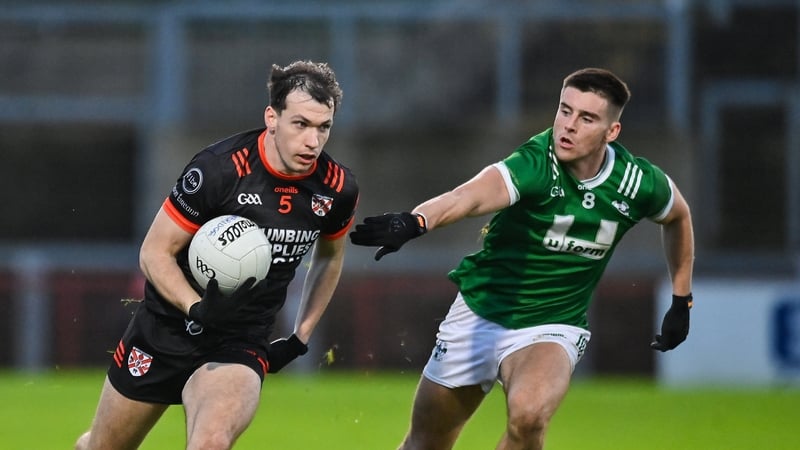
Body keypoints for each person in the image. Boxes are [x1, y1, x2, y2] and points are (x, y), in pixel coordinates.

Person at [349, 67, 694, 450]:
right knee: (424, 443)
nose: (569, 126)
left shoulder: (637, 182)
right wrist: (417, 220)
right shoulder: (536, 162)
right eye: (565, 110)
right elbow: (471, 195)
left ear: (611, 132)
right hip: (479, 315)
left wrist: (682, 299)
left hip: (551, 325)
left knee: (529, 418)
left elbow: (678, 215)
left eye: (586, 118)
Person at [75, 60, 359, 450]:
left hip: (239, 339)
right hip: (166, 329)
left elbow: (330, 257)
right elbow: (155, 252)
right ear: (271, 118)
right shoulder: (219, 170)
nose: (313, 141)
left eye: (323, 127)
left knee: (210, 442)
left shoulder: (336, 188)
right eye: (300, 124)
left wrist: (300, 335)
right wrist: (196, 308)